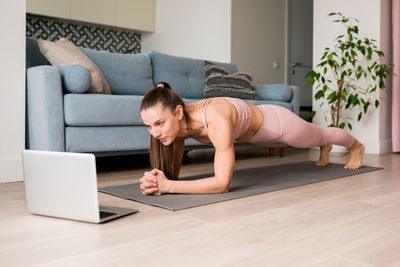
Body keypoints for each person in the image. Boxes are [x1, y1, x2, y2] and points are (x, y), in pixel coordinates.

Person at [139, 82, 365, 195]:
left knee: (321, 133)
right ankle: (323, 145)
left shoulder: (215, 116)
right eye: (149, 126)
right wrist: (157, 180)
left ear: (178, 112)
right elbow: (173, 176)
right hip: (257, 137)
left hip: (278, 125)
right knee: (316, 138)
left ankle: (356, 146)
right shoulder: (177, 129)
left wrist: (168, 187)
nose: (155, 133)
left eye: (159, 123)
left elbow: (221, 184)